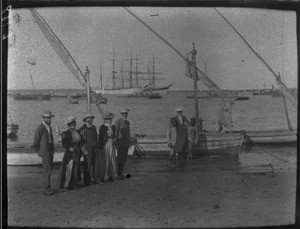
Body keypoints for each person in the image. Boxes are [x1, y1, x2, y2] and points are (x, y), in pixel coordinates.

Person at [58, 116, 85, 190]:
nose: (73, 125)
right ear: (69, 125)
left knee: (76, 167)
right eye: (71, 124)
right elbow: (64, 143)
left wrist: (82, 149)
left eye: (74, 123)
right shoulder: (65, 133)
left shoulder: (78, 132)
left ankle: (75, 183)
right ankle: (68, 184)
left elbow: (82, 141)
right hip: (70, 153)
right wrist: (70, 147)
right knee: (70, 167)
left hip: (77, 152)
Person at [33, 110, 55, 195]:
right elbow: (35, 142)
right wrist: (39, 152)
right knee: (47, 170)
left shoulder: (49, 127)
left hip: (50, 151)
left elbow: (50, 139)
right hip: (45, 152)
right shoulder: (40, 127)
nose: (49, 120)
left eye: (50, 118)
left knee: (49, 169)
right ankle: (46, 188)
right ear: (44, 118)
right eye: (47, 118)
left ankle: (47, 187)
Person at [79, 113, 98, 186]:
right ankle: (87, 181)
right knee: (87, 165)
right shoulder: (82, 128)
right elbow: (81, 142)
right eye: (89, 118)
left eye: (92, 118)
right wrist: (83, 150)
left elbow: (96, 138)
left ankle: (95, 179)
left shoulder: (94, 127)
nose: (91, 119)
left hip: (94, 148)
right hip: (87, 149)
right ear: (86, 119)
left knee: (95, 164)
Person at [99, 111, 117, 183]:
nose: (109, 120)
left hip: (111, 143)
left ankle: (110, 176)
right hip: (105, 144)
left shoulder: (112, 127)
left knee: (112, 160)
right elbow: (100, 138)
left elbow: (114, 135)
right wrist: (101, 146)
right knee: (105, 160)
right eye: (107, 119)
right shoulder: (102, 127)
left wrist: (114, 138)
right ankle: (103, 177)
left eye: (110, 119)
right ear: (105, 119)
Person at [115, 107, 130, 180]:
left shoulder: (127, 122)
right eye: (124, 113)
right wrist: (116, 144)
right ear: (121, 114)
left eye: (126, 113)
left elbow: (128, 133)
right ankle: (119, 174)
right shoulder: (118, 122)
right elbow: (116, 133)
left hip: (126, 144)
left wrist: (129, 143)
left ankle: (121, 173)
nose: (125, 115)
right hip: (120, 144)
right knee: (120, 159)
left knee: (124, 159)